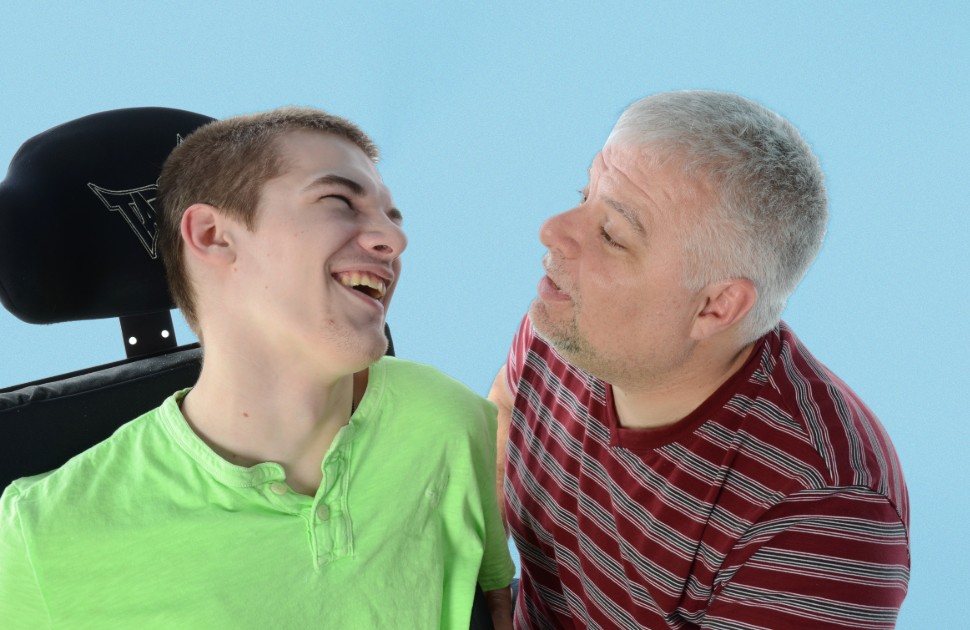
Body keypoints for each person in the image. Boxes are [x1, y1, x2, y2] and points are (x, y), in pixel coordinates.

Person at [0, 107, 514, 628]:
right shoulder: (39, 538)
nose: (393, 240)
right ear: (213, 235)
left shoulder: (448, 418)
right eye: (339, 200)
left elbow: (498, 604)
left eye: (393, 217)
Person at [490, 91, 909, 629]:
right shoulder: (578, 326)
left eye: (612, 235)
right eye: (583, 194)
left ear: (714, 307)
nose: (552, 229)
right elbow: (505, 410)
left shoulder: (822, 513)